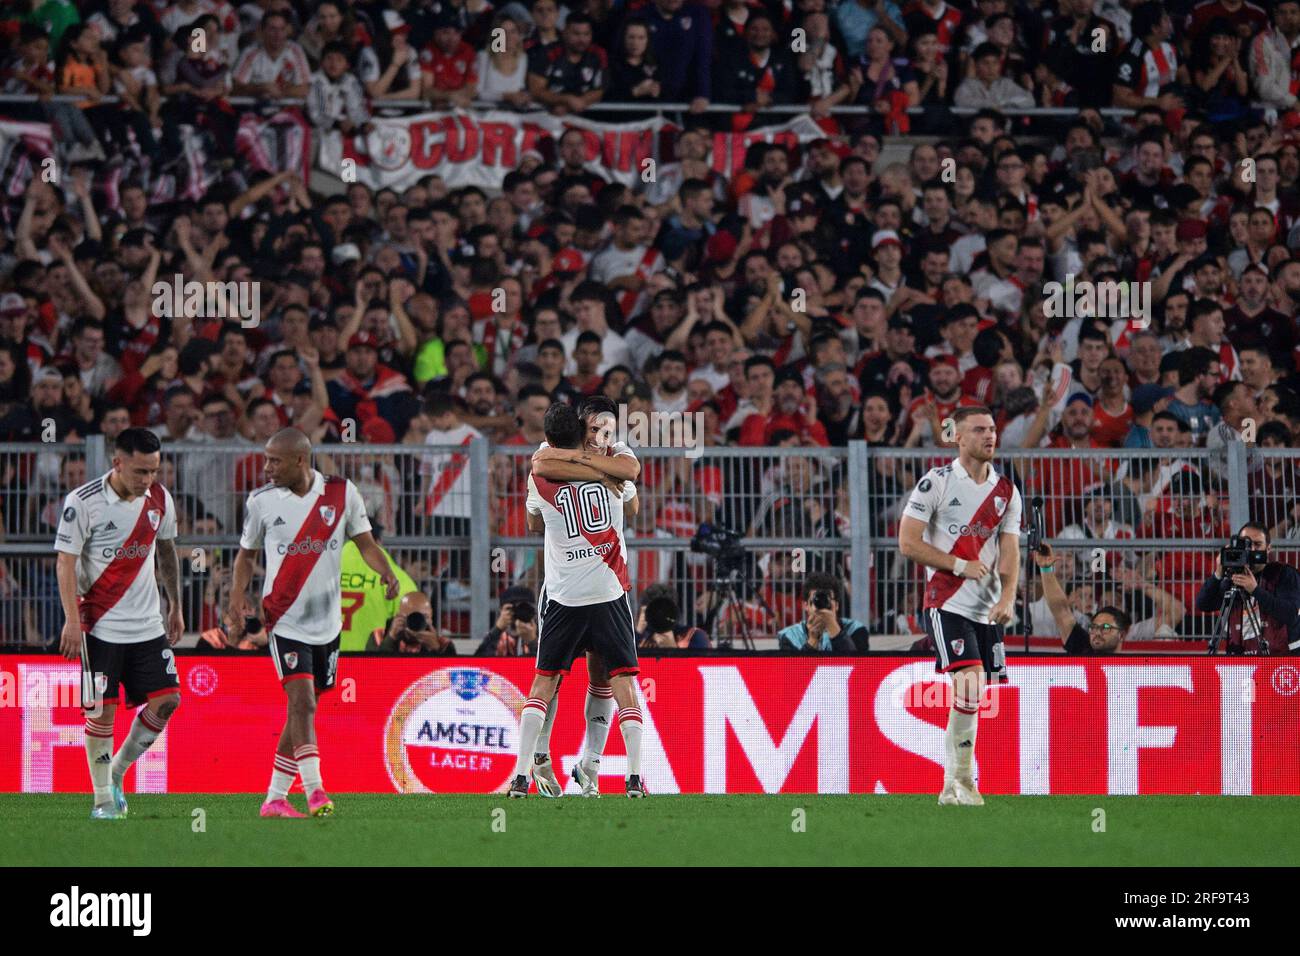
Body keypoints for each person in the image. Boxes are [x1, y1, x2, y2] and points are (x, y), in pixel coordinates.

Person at [226, 428, 399, 819]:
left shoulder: (341, 493)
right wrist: (237, 596)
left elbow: (366, 543)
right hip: (283, 619)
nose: (266, 467)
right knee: (301, 701)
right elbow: (245, 556)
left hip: (328, 624)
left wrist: (386, 573)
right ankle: (315, 789)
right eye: (265, 458)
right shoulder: (261, 502)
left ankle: (273, 798)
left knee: (303, 709)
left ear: (300, 461)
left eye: (274, 460)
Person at [512, 402, 644, 799]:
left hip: (565, 593)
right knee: (611, 678)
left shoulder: (548, 465)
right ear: (582, 427)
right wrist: (600, 474)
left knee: (560, 675)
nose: (602, 434)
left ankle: (584, 764)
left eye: (608, 428)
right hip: (605, 590)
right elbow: (632, 506)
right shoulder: (610, 462)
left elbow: (534, 520)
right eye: (596, 426)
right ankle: (549, 758)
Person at [54, 427, 183, 820]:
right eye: (140, 472)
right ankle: (103, 801)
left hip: (147, 626)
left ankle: (117, 771)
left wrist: (175, 604)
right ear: (118, 463)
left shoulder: (160, 499)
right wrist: (71, 622)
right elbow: (66, 562)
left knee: (167, 702)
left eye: (154, 471)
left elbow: (167, 552)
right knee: (101, 715)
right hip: (99, 627)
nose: (148, 481)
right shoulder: (83, 502)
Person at [898, 405, 1022, 806]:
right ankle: (965, 780)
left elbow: (1010, 551)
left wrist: (1007, 597)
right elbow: (909, 542)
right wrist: (958, 564)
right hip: (945, 600)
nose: (990, 436)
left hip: (987, 608)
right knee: (969, 680)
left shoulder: (1006, 492)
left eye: (993, 429)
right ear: (959, 437)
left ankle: (952, 785)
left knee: (973, 690)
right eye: (980, 430)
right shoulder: (935, 484)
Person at [1195, 523, 1300, 654]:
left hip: (1282, 661)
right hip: (1243, 662)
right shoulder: (1232, 578)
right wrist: (1218, 573)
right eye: (1246, 544)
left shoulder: (1284, 573)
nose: (1251, 549)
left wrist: (1255, 590)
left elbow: (1290, 614)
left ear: (1268, 549)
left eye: (1257, 544)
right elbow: (1203, 604)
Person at [1032, 543, 1130, 653]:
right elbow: (1061, 611)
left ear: (1121, 635)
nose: (1097, 633)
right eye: (1093, 627)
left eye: (1106, 628)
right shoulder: (1082, 647)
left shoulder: (1132, 668)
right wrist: (1046, 569)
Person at [776, 573, 869, 653]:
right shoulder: (790, 636)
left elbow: (857, 666)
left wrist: (834, 628)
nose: (822, 605)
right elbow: (795, 672)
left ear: (836, 605)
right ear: (806, 606)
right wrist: (812, 641)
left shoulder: (856, 630)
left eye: (826, 600)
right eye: (817, 600)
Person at [377, 591, 457, 654]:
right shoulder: (379, 636)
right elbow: (373, 670)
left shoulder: (444, 644)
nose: (417, 622)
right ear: (398, 616)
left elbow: (447, 673)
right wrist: (390, 639)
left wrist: (436, 648)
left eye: (423, 617)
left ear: (431, 617)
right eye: (411, 616)